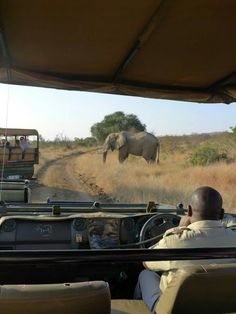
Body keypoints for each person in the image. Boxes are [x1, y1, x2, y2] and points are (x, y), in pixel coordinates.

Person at [134, 186, 236, 313]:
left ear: (189, 211)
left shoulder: (175, 241)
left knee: (145, 274)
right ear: (221, 213)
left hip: (177, 308)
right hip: (222, 307)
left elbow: (146, 262)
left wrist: (180, 228)